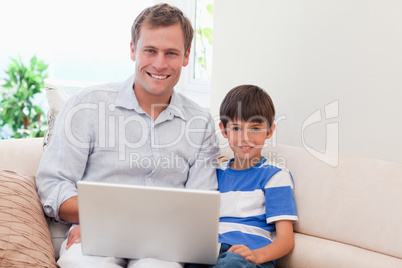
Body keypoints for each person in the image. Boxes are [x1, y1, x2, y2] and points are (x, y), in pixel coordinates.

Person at [36, 3, 219, 268]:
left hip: (162, 245)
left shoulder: (199, 123)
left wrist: (130, 222)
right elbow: (54, 185)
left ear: (186, 56)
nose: (159, 63)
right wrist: (99, 220)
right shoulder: (87, 106)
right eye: (150, 51)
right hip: (94, 236)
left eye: (171, 53)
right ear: (133, 50)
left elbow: (200, 205)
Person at [214, 85, 298, 267]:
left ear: (269, 131)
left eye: (255, 128)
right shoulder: (215, 173)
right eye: (236, 128)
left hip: (248, 258)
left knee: (231, 263)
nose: (246, 138)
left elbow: (285, 239)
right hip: (211, 251)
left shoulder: (275, 175)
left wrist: (257, 255)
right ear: (224, 130)